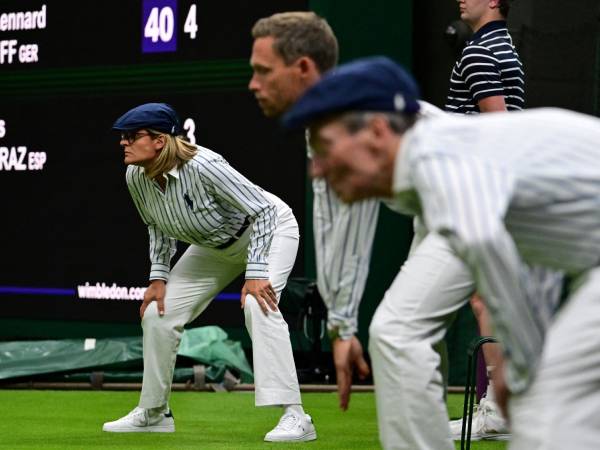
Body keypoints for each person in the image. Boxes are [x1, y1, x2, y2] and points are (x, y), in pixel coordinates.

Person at [282, 57, 590, 450]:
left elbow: (488, 247)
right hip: (581, 257)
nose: (317, 171)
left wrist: (522, 365)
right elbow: (527, 253)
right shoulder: (423, 167)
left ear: (377, 131)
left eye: (326, 148)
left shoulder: (437, 163)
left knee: (550, 418)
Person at [102, 103, 316, 442]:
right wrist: (158, 278)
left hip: (268, 228)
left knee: (258, 305)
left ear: (159, 141)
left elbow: (262, 212)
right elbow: (156, 227)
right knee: (158, 314)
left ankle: (296, 416)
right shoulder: (135, 177)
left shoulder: (204, 165)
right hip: (213, 246)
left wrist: (256, 271)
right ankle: (155, 412)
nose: (122, 142)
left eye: (131, 136)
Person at [248, 11, 373, 409]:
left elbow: (355, 224)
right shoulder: (316, 127)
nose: (253, 84)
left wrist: (343, 325)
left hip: (500, 205)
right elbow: (328, 220)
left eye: (263, 71)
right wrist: (341, 324)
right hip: (440, 217)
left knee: (397, 333)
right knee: (397, 332)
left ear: (302, 68)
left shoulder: (349, 119)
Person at [445, 0, 534, 439]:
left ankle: (497, 410)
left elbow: (497, 130)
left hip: (483, 191)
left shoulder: (480, 52)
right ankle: (500, 407)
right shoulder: (503, 47)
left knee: (487, 301)